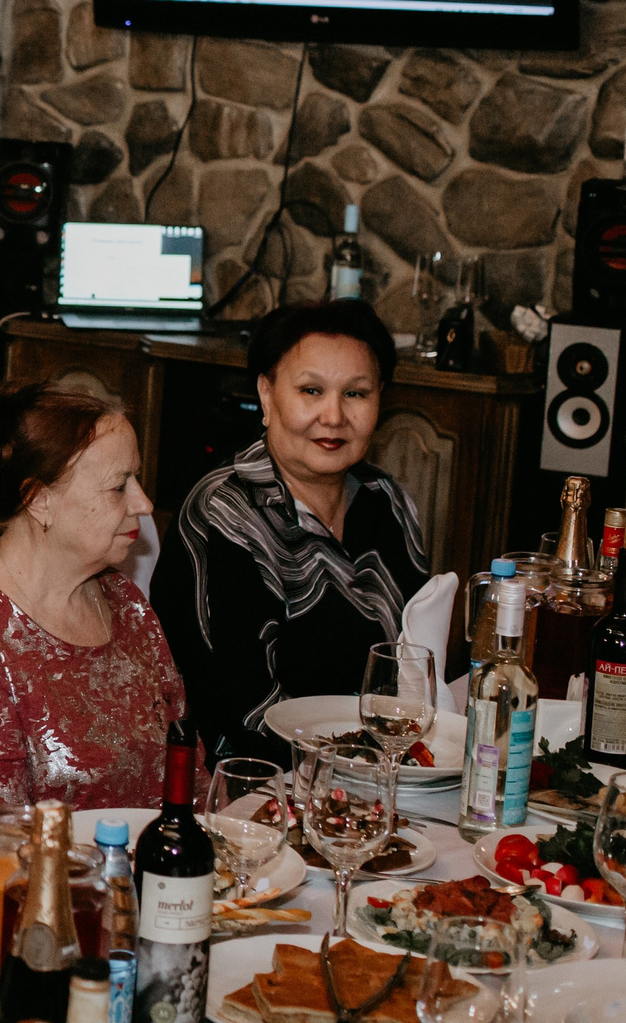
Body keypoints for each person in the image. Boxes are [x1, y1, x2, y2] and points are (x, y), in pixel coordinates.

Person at [0, 383, 185, 971]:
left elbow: (185, 770)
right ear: (40, 499)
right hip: (2, 947)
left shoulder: (125, 604)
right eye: (119, 485)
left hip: (140, 913)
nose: (144, 502)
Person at [153, 299, 430, 761]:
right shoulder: (226, 513)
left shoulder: (388, 501)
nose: (334, 416)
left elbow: (417, 662)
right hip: (251, 777)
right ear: (267, 394)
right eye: (311, 391)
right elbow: (241, 709)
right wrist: (356, 765)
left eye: (356, 394)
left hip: (380, 766)